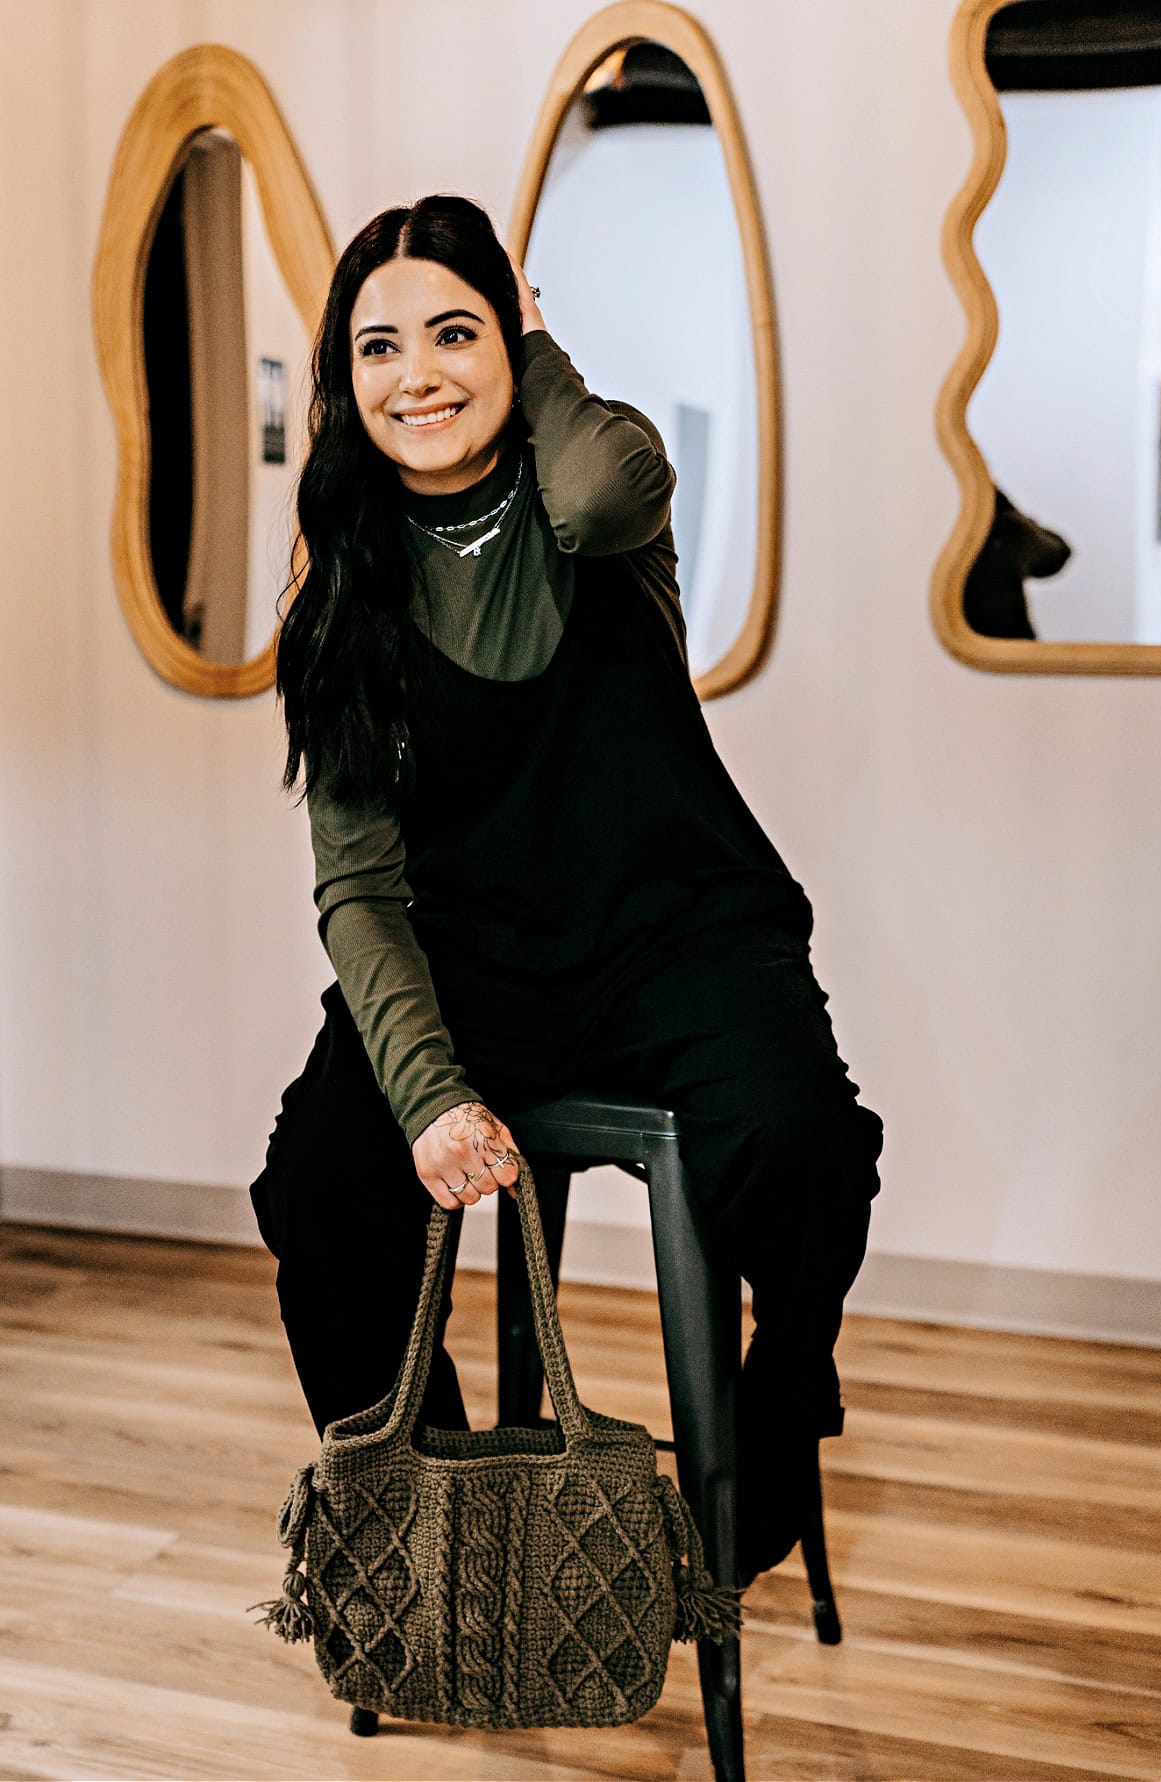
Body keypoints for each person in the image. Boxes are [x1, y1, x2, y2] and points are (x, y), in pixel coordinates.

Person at [248, 194, 885, 1586]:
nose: (416, 374)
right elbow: (359, 890)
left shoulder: (598, 494)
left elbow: (593, 486)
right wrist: (424, 1092)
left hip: (680, 943)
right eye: (378, 349)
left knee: (804, 1147)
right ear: (344, 383)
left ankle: (785, 1405)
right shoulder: (337, 601)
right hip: (477, 966)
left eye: (455, 332)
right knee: (315, 1186)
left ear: (514, 336)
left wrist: (536, 350)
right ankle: (434, 1505)